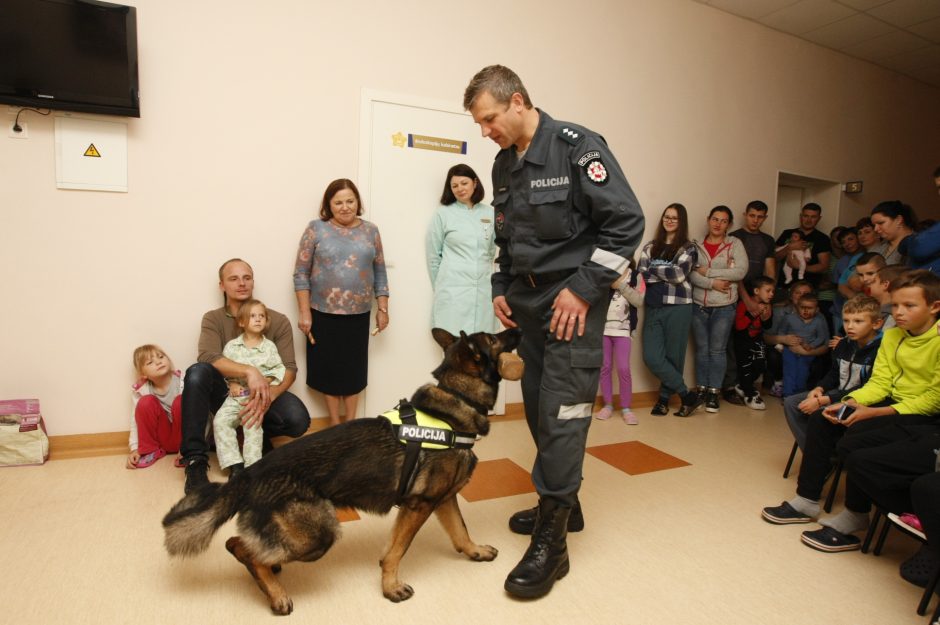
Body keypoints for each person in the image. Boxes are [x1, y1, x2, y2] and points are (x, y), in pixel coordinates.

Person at [463, 64, 644, 599]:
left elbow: (627, 223)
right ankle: (567, 507)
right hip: (526, 302)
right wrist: (501, 282)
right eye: (480, 123)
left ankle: (553, 543)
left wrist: (585, 288)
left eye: (490, 119)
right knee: (543, 407)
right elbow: (506, 236)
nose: (485, 131)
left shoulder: (576, 148)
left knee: (564, 412)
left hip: (572, 302)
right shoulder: (502, 165)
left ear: (517, 101)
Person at [761, 270, 940, 554]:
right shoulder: (893, 336)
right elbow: (880, 383)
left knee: (853, 441)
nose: (899, 312)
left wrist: (872, 413)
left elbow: (933, 399)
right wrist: (852, 401)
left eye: (909, 306)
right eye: (895, 305)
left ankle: (857, 513)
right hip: (890, 403)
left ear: (934, 306)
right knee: (824, 417)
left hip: (923, 417)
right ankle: (807, 500)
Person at [180, 259, 310, 494]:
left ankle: (256, 439)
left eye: (246, 277)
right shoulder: (213, 318)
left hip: (264, 392)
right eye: (233, 278)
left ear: (253, 282)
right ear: (222, 285)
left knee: (298, 419)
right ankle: (195, 461)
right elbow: (207, 357)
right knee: (196, 373)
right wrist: (249, 372)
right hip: (228, 392)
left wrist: (265, 397)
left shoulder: (276, 320)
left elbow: (289, 368)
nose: (241, 283)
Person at [294, 179, 390, 426]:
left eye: (350, 201)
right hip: (322, 313)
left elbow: (379, 271)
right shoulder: (316, 229)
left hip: (358, 314)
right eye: (338, 202)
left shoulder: (371, 230)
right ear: (328, 205)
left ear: (358, 202)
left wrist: (383, 308)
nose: (345, 207)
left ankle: (351, 424)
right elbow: (301, 274)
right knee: (329, 371)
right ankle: (335, 425)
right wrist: (304, 312)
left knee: (353, 372)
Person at [782, 294, 882, 451]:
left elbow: (869, 387)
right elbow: (834, 373)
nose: (850, 326)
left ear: (876, 324)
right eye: (846, 321)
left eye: (858, 321)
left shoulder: (882, 349)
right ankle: (816, 452)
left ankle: (820, 452)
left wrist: (825, 400)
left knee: (820, 413)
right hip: (838, 392)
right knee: (792, 403)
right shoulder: (844, 343)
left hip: (862, 399)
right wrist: (819, 388)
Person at [638, 204, 701, 417]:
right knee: (652, 356)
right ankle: (687, 395)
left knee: (674, 356)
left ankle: (663, 400)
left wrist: (653, 269)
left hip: (679, 307)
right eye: (667, 216)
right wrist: (663, 271)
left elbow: (678, 275)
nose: (670, 220)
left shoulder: (688, 247)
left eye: (674, 218)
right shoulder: (651, 246)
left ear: (681, 221)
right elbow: (641, 275)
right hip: (654, 306)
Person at [213, 299, 286, 478]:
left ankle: (253, 469)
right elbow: (224, 373)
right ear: (241, 322)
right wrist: (233, 383)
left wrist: (263, 380)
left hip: (257, 397)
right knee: (220, 421)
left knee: (252, 426)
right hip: (236, 397)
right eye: (252, 316)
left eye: (262, 316)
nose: (258, 319)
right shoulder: (231, 347)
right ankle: (235, 465)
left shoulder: (269, 347)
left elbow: (278, 370)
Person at [426, 163, 498, 335]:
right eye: (454, 186)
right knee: (454, 346)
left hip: (483, 289)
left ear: (475, 182)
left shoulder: (490, 213)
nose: (460, 189)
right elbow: (433, 256)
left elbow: (491, 251)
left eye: (464, 183)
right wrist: (444, 285)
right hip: (452, 291)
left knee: (484, 344)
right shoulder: (443, 214)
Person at [689, 205, 747, 413]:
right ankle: (702, 390)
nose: (718, 224)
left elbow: (740, 271)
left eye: (723, 221)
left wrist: (708, 271)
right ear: (708, 219)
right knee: (702, 350)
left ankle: (714, 391)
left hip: (724, 306)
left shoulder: (735, 244)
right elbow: (691, 274)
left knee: (717, 350)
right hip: (698, 305)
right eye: (715, 219)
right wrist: (712, 282)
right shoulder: (695, 245)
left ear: (729, 225)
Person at [722, 200, 777, 404]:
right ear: (745, 214)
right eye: (752, 215)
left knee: (752, 344)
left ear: (765, 217)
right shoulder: (734, 237)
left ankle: (745, 385)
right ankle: (729, 386)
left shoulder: (768, 240)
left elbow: (770, 272)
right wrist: (746, 299)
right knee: (731, 344)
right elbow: (734, 272)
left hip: (759, 299)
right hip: (736, 296)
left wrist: (767, 302)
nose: (756, 220)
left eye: (760, 216)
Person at [594, 261, 644, 425]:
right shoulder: (604, 273)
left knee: (623, 368)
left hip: (623, 331)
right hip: (603, 330)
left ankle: (626, 408)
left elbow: (638, 301)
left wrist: (620, 285)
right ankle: (608, 405)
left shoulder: (636, 276)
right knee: (605, 367)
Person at [127, 344, 183, 469]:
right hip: (161, 441)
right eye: (150, 362)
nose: (158, 362)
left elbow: (199, 415)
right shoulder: (141, 390)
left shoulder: (184, 381)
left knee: (182, 401)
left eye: (161, 357)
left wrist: (195, 446)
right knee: (145, 402)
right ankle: (150, 451)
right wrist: (135, 448)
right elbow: (136, 421)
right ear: (143, 374)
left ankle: (188, 450)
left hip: (184, 438)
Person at [730, 276, 775, 410]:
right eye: (768, 291)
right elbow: (739, 326)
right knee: (745, 368)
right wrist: (754, 313)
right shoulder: (743, 304)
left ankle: (743, 386)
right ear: (756, 291)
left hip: (757, 341)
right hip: (742, 342)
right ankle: (750, 393)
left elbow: (767, 326)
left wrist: (765, 316)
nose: (771, 294)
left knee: (760, 365)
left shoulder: (768, 306)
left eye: (773, 291)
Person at [763, 280, 813, 396]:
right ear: (791, 295)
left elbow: (823, 342)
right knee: (773, 355)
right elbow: (764, 337)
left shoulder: (817, 315)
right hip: (781, 348)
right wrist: (783, 339)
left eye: (805, 293)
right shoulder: (779, 311)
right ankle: (779, 383)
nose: (801, 296)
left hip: (806, 350)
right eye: (798, 293)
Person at [775, 292, 830, 397]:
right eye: (803, 307)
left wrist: (811, 346)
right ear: (796, 308)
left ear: (817, 309)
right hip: (790, 350)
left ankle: (798, 395)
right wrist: (782, 343)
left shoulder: (819, 321)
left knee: (803, 371)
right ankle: (787, 394)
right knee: (789, 370)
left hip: (807, 351)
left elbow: (821, 338)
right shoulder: (789, 318)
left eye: (810, 308)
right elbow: (781, 331)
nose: (805, 310)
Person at [774, 203, 831, 291]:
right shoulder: (787, 233)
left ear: (819, 218)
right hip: (782, 286)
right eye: (806, 216)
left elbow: (824, 266)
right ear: (800, 216)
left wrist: (801, 267)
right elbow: (774, 257)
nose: (809, 220)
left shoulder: (822, 238)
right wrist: (789, 247)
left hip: (807, 289)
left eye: (813, 217)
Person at [869, 200, 915, 266]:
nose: (875, 229)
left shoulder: (917, 245)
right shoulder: (877, 249)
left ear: (899, 220)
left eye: (881, 223)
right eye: (874, 225)